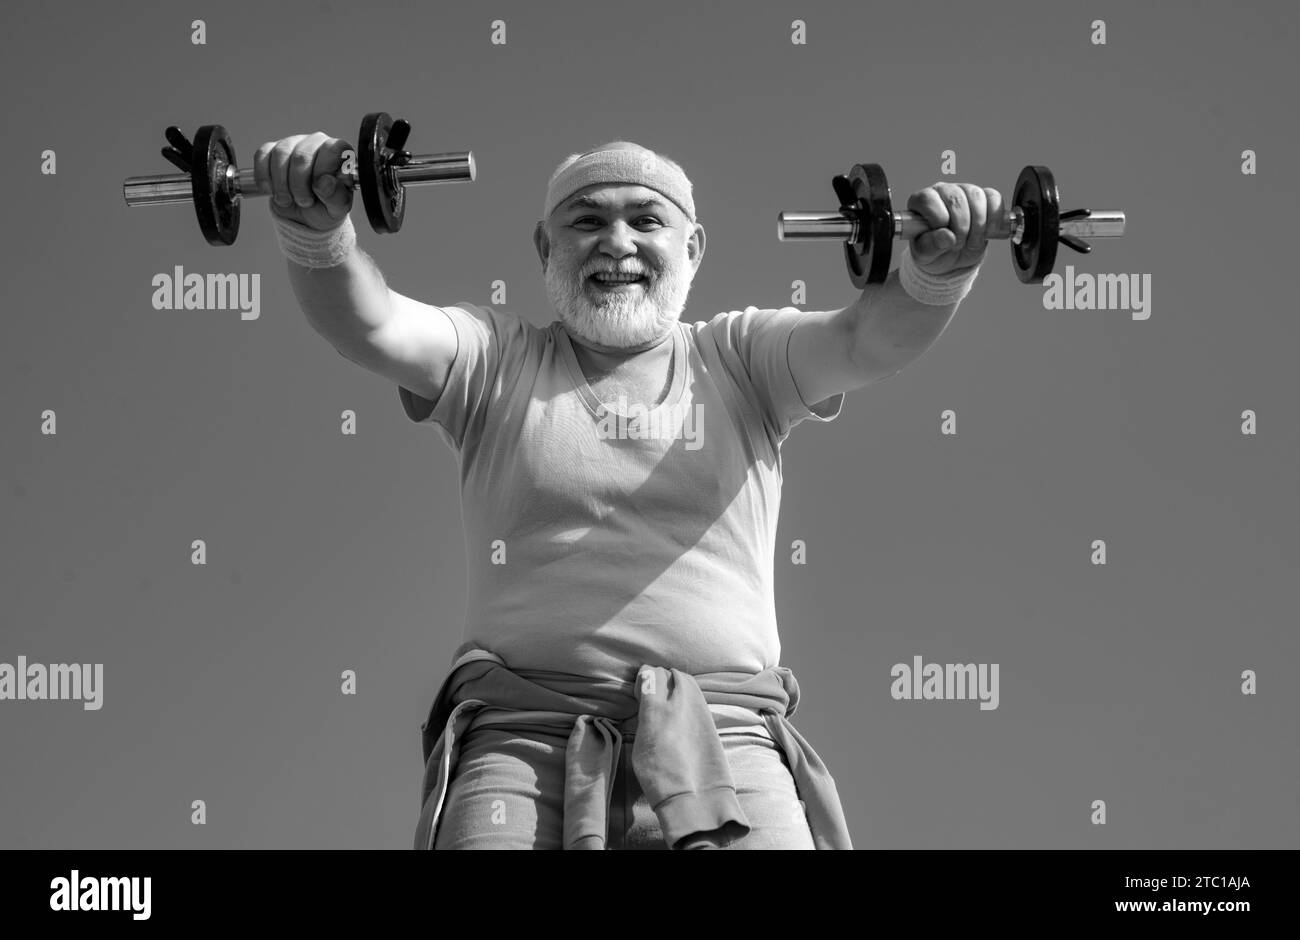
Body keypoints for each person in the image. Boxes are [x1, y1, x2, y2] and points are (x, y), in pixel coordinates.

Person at [259, 132, 997, 849]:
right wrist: (315, 230)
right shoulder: (497, 357)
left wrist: (936, 274)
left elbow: (868, 342)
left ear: (693, 249)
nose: (617, 242)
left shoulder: (741, 358)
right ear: (546, 249)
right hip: (520, 749)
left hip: (724, 744)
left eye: (646, 220)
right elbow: (372, 325)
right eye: (587, 220)